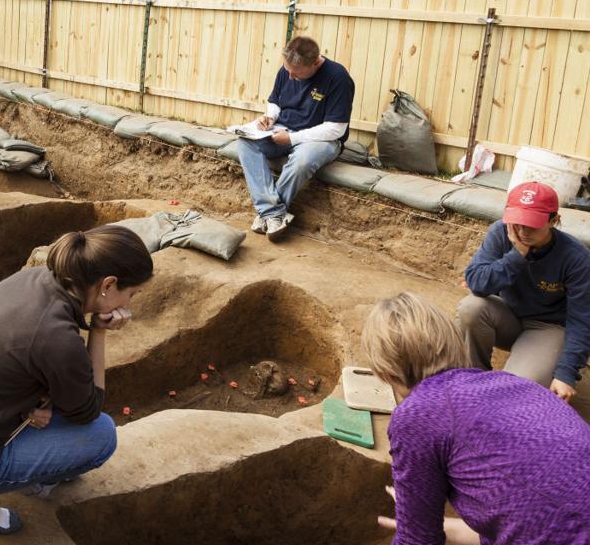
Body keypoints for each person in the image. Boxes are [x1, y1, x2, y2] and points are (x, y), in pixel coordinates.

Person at [0, 226, 151, 536]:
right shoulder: (56, 338)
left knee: (54, 409)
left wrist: (38, 403)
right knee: (102, 435)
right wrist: (100, 332)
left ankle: (14, 468)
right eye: (131, 294)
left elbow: (21, 365)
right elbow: (89, 409)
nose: (128, 304)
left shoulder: (34, 279)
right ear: (108, 284)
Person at [363, 292, 590, 545]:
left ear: (386, 373)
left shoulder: (419, 414)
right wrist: (444, 526)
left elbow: (417, 541)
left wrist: (415, 526)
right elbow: (539, 511)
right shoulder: (517, 384)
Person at [459, 181, 589, 402]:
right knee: (471, 307)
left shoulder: (576, 258)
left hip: (547, 328)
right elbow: (476, 282)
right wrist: (517, 255)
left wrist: (566, 373)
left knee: (513, 390)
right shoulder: (500, 233)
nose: (522, 230)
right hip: (507, 316)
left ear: (554, 221)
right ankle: (474, 378)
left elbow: (582, 320)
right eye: (517, 222)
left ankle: (531, 364)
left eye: (531, 224)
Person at [237, 36, 354, 242]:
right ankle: (273, 213)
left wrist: (292, 139)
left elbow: (335, 129)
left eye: (297, 73)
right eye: (287, 69)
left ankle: (269, 214)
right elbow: (275, 101)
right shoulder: (288, 69)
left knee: (302, 161)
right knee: (246, 142)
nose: (290, 75)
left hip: (321, 139)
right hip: (283, 130)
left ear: (316, 63)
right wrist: (270, 117)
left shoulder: (338, 78)